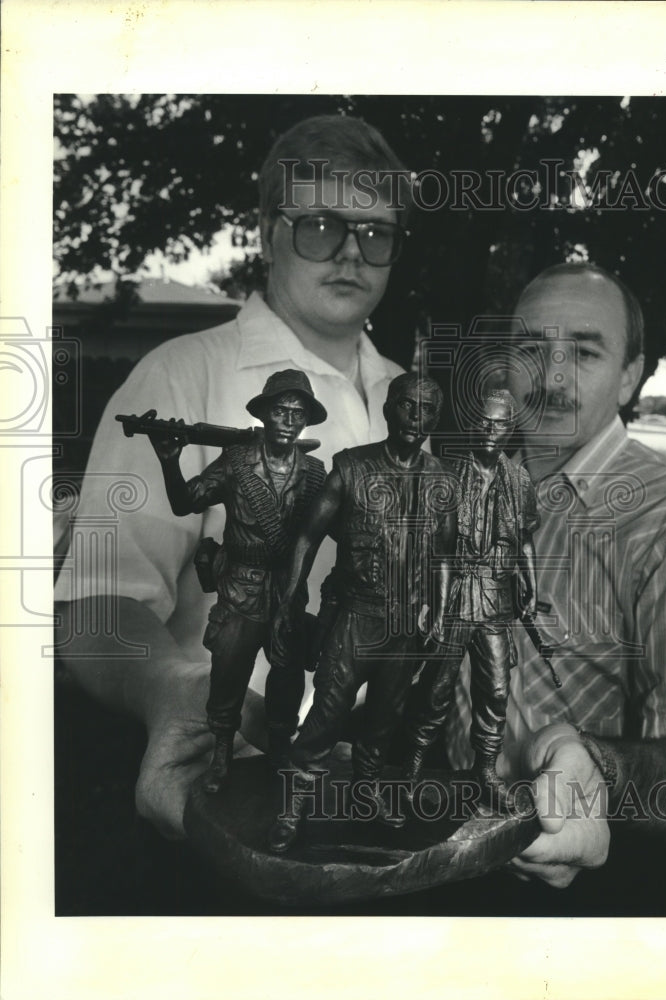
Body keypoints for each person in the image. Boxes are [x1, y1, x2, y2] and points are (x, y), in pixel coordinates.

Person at [54, 114, 411, 838]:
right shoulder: (180, 378)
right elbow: (95, 608)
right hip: (229, 795)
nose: (350, 253)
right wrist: (172, 691)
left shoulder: (410, 399)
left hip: (380, 792)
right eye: (319, 225)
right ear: (266, 230)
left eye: (376, 233)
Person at [444, 262, 666, 889]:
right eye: (530, 347)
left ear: (631, 377)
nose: (550, 377)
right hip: (426, 846)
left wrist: (597, 769)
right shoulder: (465, 486)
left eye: (583, 350)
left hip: (578, 886)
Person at [267, 373, 456, 853]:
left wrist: (438, 610)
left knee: (384, 718)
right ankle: (293, 799)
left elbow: (445, 554)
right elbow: (307, 536)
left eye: (427, 409)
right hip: (356, 617)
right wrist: (291, 600)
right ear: (390, 409)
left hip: (407, 623)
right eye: (408, 406)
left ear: (437, 416)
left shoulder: (441, 479)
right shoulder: (350, 468)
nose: (417, 417)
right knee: (327, 714)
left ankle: (367, 787)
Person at [143, 370, 328, 792]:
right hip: (240, 590)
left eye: (297, 413)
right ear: (264, 413)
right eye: (280, 409)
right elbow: (184, 502)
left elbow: (333, 528)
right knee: (227, 675)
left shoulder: (315, 474)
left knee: (287, 680)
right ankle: (222, 753)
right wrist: (169, 459)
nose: (288, 419)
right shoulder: (235, 462)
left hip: (287, 594)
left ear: (306, 421)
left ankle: (280, 752)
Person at [402, 389, 539, 807]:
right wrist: (423, 599)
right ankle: (411, 768)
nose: (489, 430)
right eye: (483, 421)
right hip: (456, 593)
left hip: (495, 596)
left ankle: (485, 771)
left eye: (498, 423)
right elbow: (422, 542)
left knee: (496, 690)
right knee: (436, 688)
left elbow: (526, 538)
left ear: (510, 430)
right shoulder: (444, 474)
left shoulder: (519, 480)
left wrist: (531, 582)